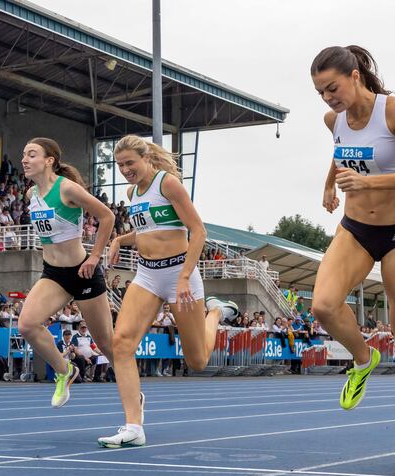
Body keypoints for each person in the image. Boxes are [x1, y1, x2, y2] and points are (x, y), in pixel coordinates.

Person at [310, 45, 395, 464]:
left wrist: (372, 184)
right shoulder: (335, 119)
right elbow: (342, 147)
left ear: (355, 76)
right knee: (324, 307)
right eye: (321, 92)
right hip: (355, 229)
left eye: (333, 88)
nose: (329, 99)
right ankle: (364, 359)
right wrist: (330, 183)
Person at [100, 134, 238, 448]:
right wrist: (120, 240)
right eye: (120, 165)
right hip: (147, 275)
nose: (125, 170)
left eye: (130, 163)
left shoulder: (169, 185)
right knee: (121, 343)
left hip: (180, 273)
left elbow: (198, 230)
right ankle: (133, 426)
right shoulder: (132, 191)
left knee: (197, 361)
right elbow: (149, 230)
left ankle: (216, 312)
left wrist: (184, 277)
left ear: (146, 158)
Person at [17, 137, 115, 408]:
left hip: (82, 273)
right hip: (53, 275)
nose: (25, 159)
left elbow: (107, 217)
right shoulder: (31, 194)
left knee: (107, 345)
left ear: (50, 160)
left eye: (32, 154)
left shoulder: (67, 189)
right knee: (26, 325)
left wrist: (95, 257)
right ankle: (66, 370)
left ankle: (133, 395)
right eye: (24, 154)